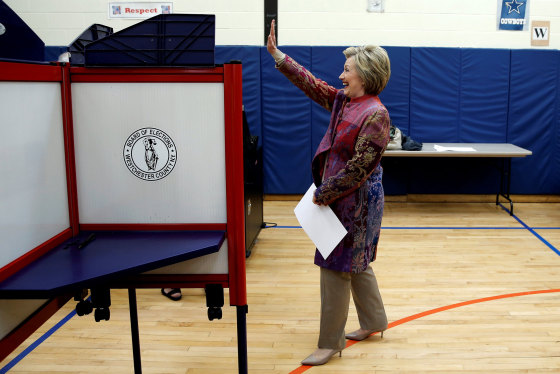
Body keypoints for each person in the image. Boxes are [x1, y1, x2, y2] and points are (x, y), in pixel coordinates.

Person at [267, 20, 391, 366]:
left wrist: (322, 194)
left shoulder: (376, 114)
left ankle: (330, 343)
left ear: (364, 76)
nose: (341, 75)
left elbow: (358, 170)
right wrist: (279, 56)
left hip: (356, 201)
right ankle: (375, 322)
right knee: (356, 262)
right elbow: (312, 84)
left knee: (336, 265)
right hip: (340, 195)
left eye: (347, 70)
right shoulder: (344, 102)